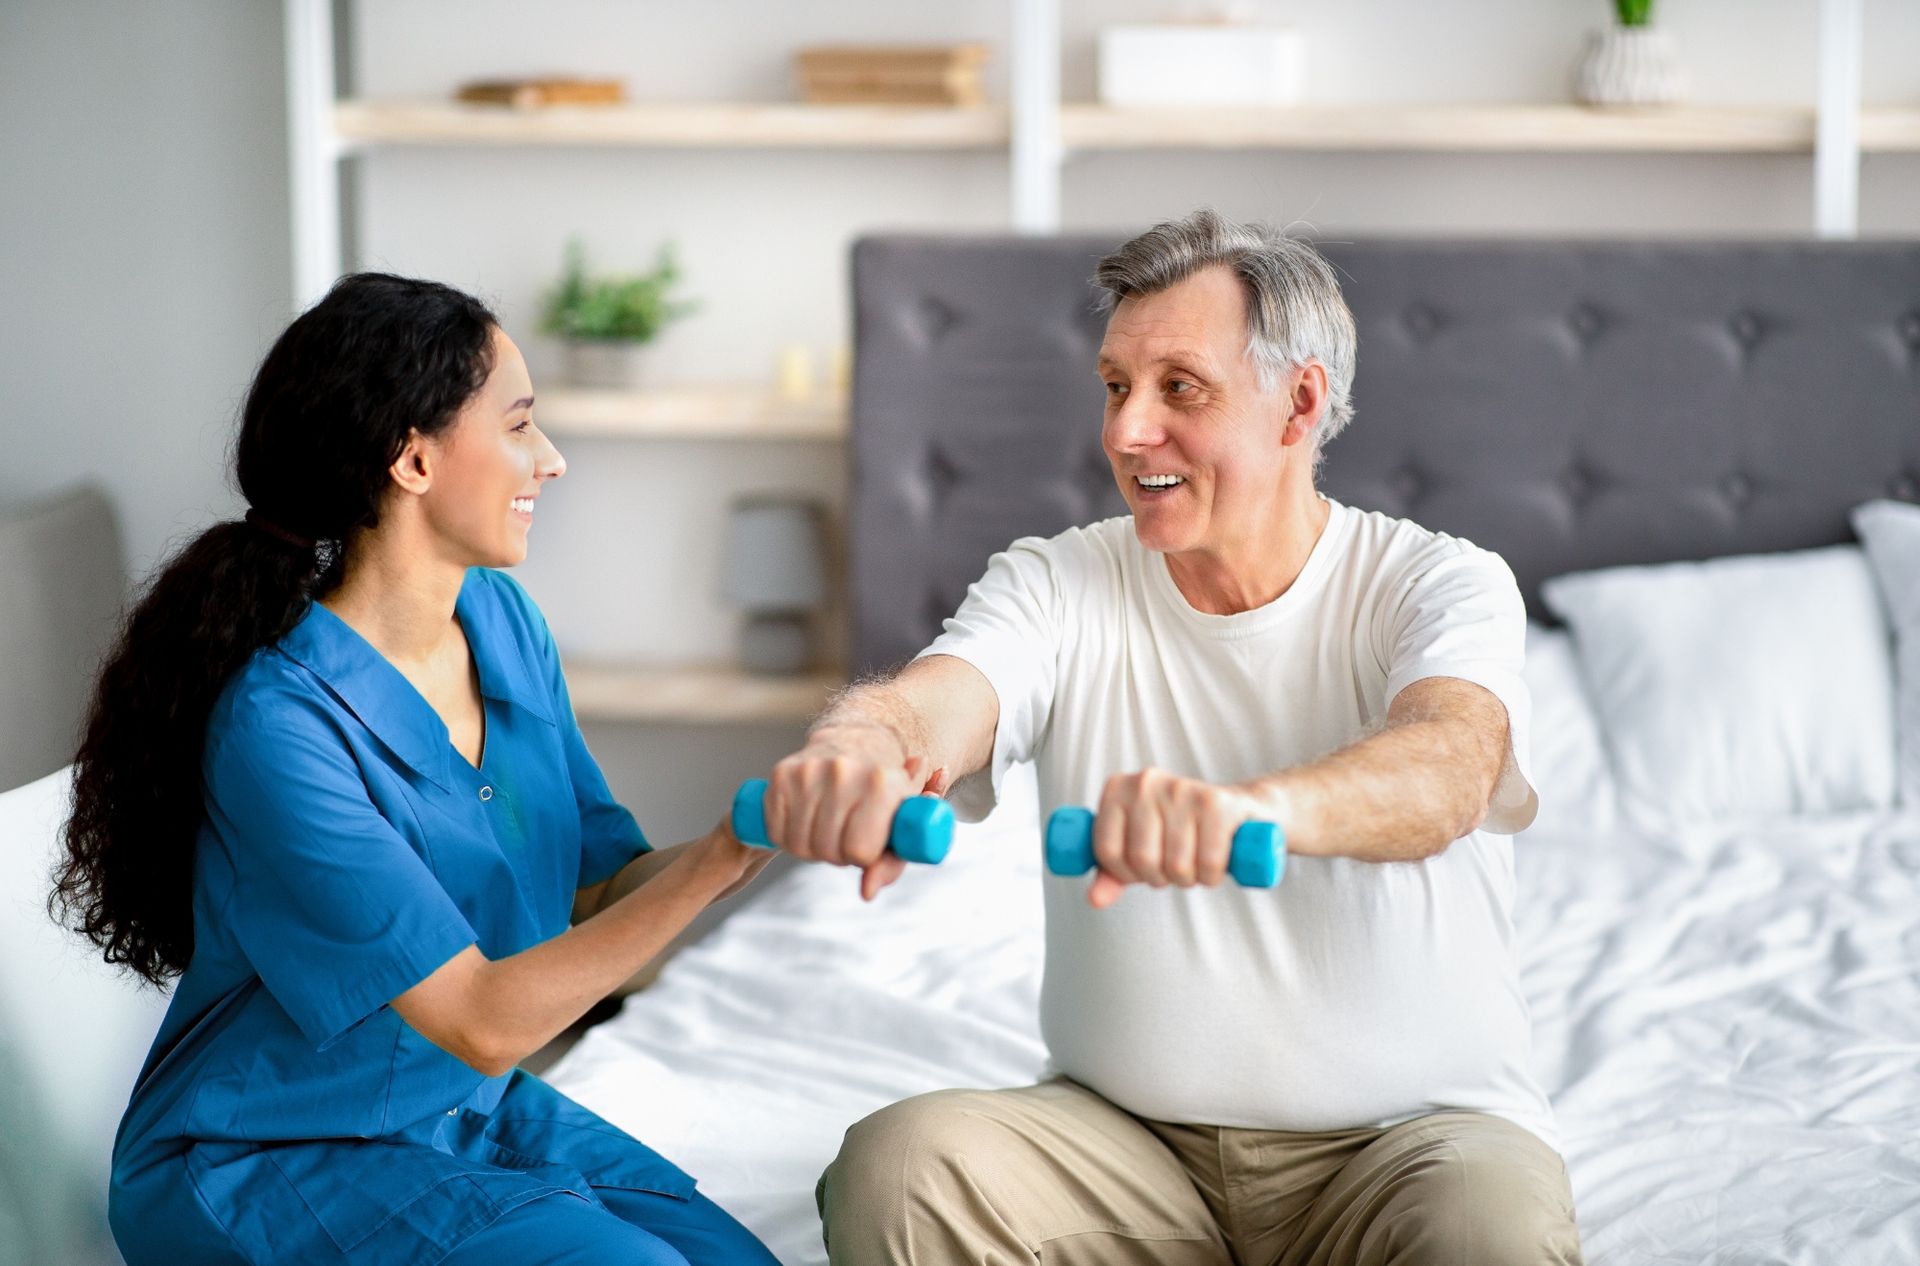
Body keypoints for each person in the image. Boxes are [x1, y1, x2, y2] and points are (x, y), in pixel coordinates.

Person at [769, 211, 1585, 1264]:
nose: (1124, 432)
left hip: (1410, 1147)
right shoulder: (1061, 581)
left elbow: (1449, 765)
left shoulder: (1436, 582)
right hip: (1125, 1147)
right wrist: (857, 750)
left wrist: (1249, 812)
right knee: (899, 1166)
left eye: (1178, 389)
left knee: (1490, 1236)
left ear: (1299, 403)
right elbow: (938, 699)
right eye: (1116, 387)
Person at [52, 273, 782, 1266]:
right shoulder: (279, 725)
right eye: (520, 425)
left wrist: (772, 819)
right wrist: (728, 857)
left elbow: (602, 887)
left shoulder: (504, 624)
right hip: (268, 1157)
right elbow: (480, 1020)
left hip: (456, 1115)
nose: (552, 460)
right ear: (413, 458)